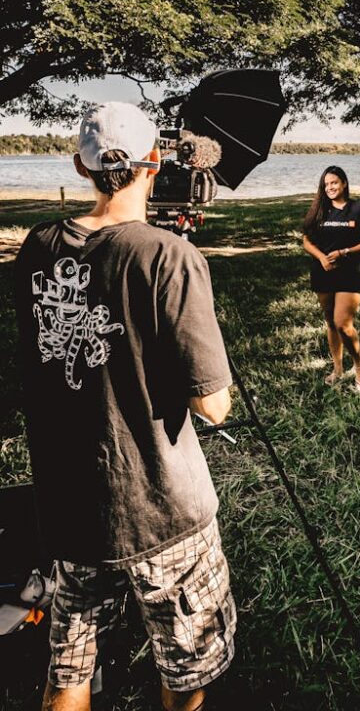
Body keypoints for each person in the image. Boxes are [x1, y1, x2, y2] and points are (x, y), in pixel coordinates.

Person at [14, 102, 236, 711]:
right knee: (186, 666)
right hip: (163, 508)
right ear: (155, 162)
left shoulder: (37, 248)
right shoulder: (169, 258)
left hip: (69, 506)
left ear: (79, 166)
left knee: (70, 667)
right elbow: (213, 404)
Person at [303, 166, 360, 393]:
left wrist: (345, 252)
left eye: (334, 183)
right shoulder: (319, 210)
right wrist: (321, 258)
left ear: (344, 183)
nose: (330, 188)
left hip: (350, 272)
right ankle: (337, 369)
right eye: (326, 185)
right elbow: (306, 240)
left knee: (343, 324)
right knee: (330, 322)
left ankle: (359, 370)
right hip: (322, 272)